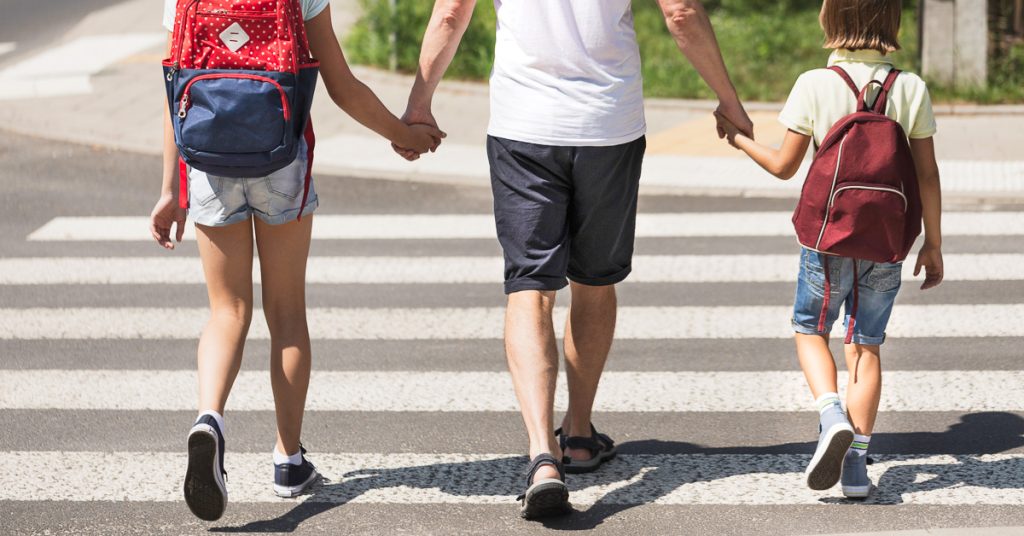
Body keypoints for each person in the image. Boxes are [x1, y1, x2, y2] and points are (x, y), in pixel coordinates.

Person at [399, 0, 751, 518]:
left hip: (525, 126)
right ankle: (580, 435)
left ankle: (543, 455)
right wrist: (729, 100)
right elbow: (681, 12)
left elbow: (451, 13)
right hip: (608, 126)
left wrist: (419, 103)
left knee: (530, 287)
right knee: (594, 280)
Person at [150, 0, 444, 522]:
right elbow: (341, 85)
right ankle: (289, 459)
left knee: (227, 310)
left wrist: (170, 188)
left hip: (209, 157)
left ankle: (210, 420)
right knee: (286, 314)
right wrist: (404, 136)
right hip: (280, 155)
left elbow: (176, 86)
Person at [716, 0, 944, 499]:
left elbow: (783, 166)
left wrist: (737, 138)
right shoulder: (910, 87)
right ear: (893, 20)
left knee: (810, 328)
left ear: (831, 20)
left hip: (827, 238)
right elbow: (927, 174)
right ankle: (857, 466)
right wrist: (933, 243)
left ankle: (830, 412)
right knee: (865, 344)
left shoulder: (814, 84)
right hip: (886, 240)